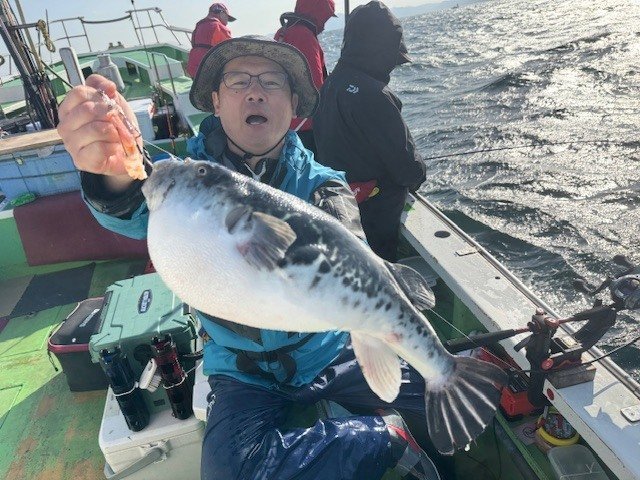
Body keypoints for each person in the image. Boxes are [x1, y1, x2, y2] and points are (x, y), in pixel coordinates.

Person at [56, 36, 441, 480]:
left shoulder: (322, 185)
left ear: (293, 105)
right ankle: (381, 437)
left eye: (272, 82)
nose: (255, 92)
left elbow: (347, 240)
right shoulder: (183, 184)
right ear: (216, 102)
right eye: (239, 81)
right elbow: (131, 209)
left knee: (442, 404)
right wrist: (111, 171)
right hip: (243, 372)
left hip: (329, 351)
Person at [313, 1, 427, 262]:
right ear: (384, 51)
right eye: (394, 59)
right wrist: (420, 171)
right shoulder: (376, 96)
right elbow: (409, 171)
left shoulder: (329, 86)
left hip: (341, 212)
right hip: (374, 225)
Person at [274, 0, 336, 156]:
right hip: (304, 126)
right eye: (325, 18)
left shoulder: (282, 32)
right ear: (318, 14)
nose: (324, 26)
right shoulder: (305, 36)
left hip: (282, 122)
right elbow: (315, 86)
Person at [186, 3, 235, 78]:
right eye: (227, 17)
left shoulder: (199, 26)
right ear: (221, 13)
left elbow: (193, 44)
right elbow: (231, 49)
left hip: (193, 69)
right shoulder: (219, 27)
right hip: (208, 69)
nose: (227, 21)